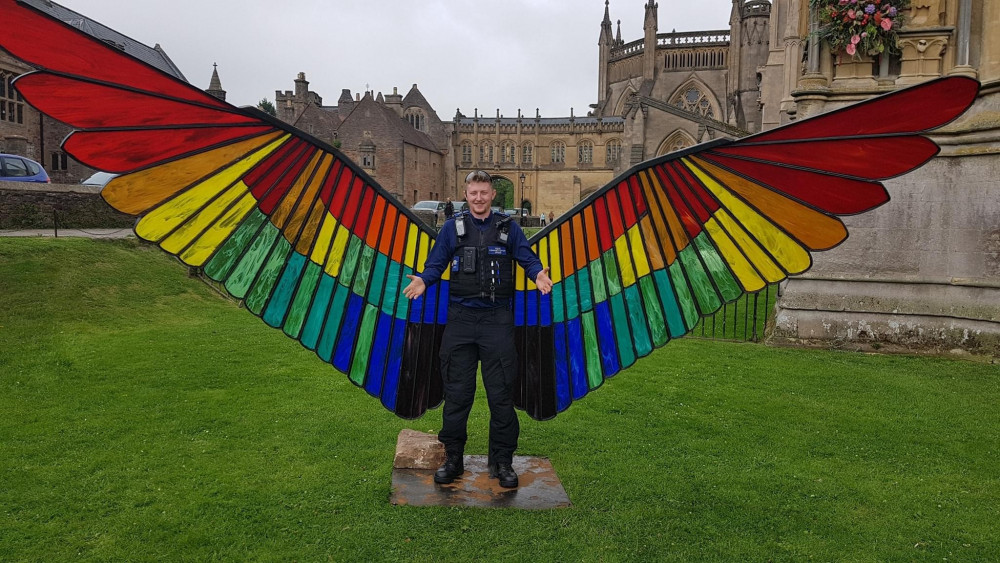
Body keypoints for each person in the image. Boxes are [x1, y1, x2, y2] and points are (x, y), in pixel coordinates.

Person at [403, 170, 553, 488]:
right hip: (460, 321)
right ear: (466, 193)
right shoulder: (451, 228)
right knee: (458, 396)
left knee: (501, 396)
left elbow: (526, 258)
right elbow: (436, 263)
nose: (479, 198)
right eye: (474, 193)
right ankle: (453, 459)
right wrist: (423, 280)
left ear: (492, 194)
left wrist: (538, 273)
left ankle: (502, 462)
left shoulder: (508, 228)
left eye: (484, 192)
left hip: (497, 322)